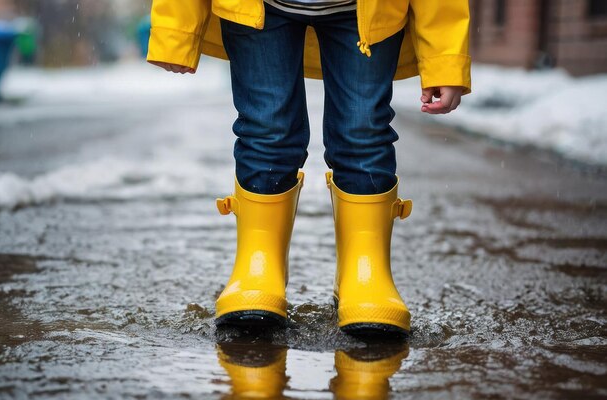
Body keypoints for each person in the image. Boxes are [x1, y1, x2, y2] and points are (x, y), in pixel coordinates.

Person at [147, 0, 471, 336]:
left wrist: (445, 62)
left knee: (364, 132)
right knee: (267, 130)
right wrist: (176, 28)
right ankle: (259, 266)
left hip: (370, 8)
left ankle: (364, 272)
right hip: (257, 6)